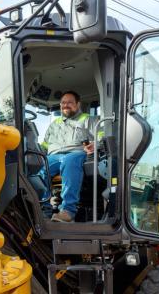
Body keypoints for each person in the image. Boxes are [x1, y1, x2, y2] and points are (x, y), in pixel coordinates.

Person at [40, 91, 95, 222]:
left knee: (69, 161)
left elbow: (100, 136)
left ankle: (68, 211)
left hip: (76, 153)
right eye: (63, 103)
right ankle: (45, 209)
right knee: (41, 169)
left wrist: (95, 145)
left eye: (70, 102)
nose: (66, 105)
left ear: (78, 104)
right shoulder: (54, 124)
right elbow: (45, 145)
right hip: (54, 155)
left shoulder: (88, 119)